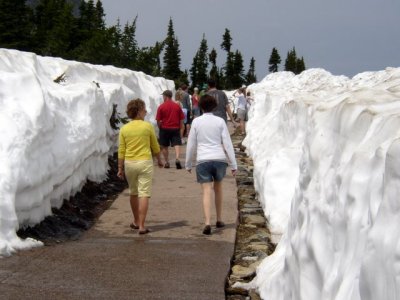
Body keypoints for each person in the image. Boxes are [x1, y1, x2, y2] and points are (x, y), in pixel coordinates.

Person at [185, 94, 237, 235]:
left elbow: (191, 144)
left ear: (200, 106)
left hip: (203, 160)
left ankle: (207, 222)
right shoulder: (220, 121)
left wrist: (188, 163)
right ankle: (219, 219)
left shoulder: (196, 122)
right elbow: (227, 143)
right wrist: (233, 164)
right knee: (218, 188)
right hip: (219, 159)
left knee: (206, 191)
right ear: (214, 106)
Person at [117, 98, 163, 235]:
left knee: (133, 192)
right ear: (138, 112)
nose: (146, 111)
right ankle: (142, 226)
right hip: (145, 163)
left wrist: (120, 168)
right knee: (144, 193)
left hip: (129, 164)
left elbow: (121, 150)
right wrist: (159, 160)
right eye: (144, 109)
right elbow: (155, 146)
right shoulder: (147, 126)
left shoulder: (124, 129)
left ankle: (136, 221)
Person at [156, 90, 185, 169]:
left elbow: (158, 120)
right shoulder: (177, 106)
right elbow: (181, 119)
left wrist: (160, 128)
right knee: (176, 144)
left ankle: (167, 162)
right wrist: (180, 128)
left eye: (163, 96)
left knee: (164, 146)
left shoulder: (161, 106)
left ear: (165, 96)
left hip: (164, 128)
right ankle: (177, 158)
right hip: (175, 128)